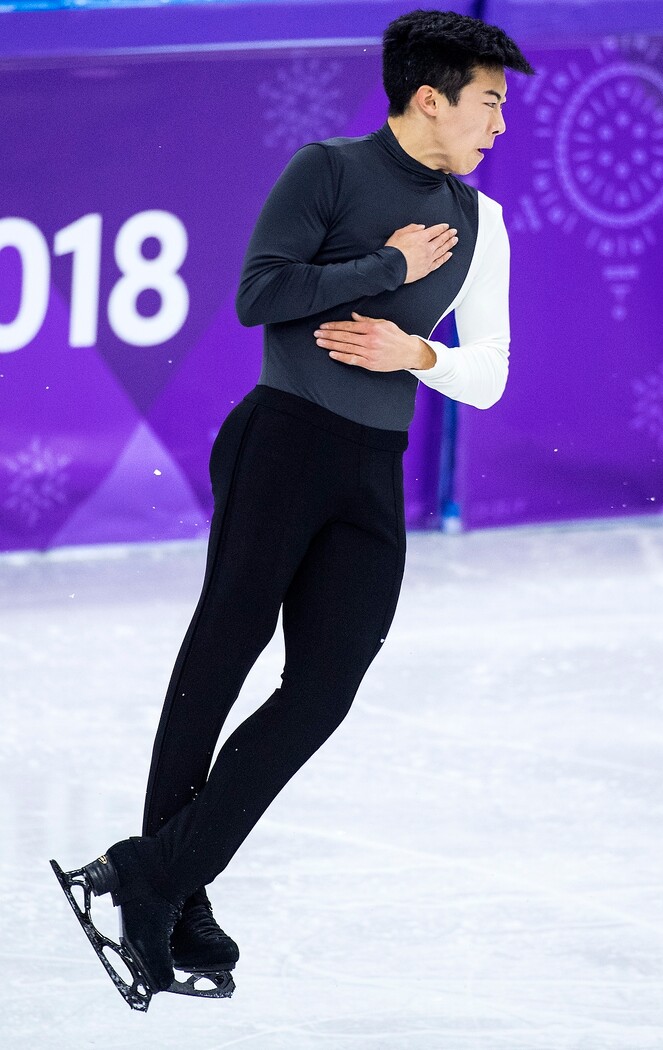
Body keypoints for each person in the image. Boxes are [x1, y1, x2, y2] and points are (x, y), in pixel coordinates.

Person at [51, 9, 534, 1009]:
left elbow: (485, 375)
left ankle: (153, 870)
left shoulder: (484, 226)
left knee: (325, 686)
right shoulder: (325, 169)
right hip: (281, 441)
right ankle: (170, 900)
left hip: (372, 467)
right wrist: (387, 270)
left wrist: (420, 353)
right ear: (430, 97)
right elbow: (259, 294)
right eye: (487, 102)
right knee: (221, 654)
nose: (497, 124)